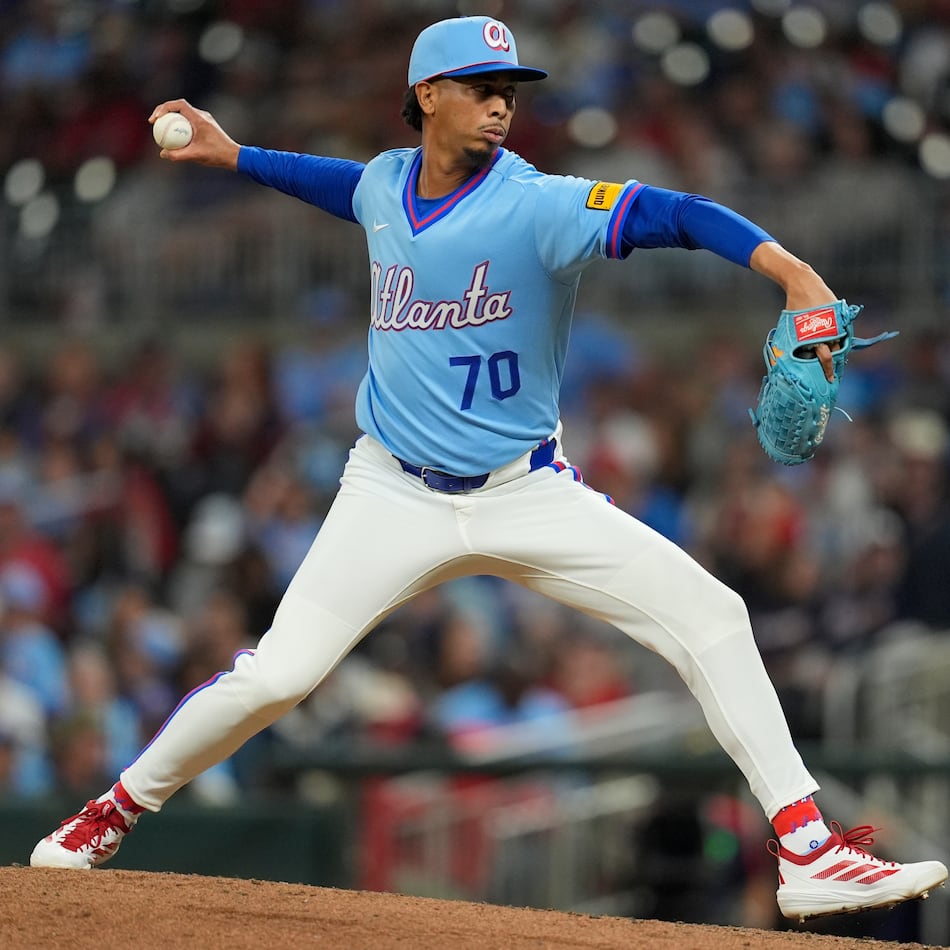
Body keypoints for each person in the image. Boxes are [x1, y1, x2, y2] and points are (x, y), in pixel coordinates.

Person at [30, 15, 947, 923]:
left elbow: (679, 213)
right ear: (427, 96)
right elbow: (335, 183)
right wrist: (235, 157)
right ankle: (105, 816)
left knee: (714, 616)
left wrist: (788, 270)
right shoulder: (386, 184)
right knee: (276, 676)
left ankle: (806, 846)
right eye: (481, 89)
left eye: (509, 92)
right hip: (389, 490)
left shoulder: (539, 204)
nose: (501, 107)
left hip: (524, 492)